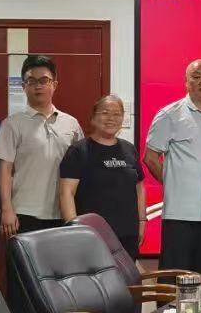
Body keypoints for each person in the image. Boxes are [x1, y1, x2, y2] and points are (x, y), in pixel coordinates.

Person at [145, 59, 201, 278]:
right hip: (179, 214)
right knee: (174, 278)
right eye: (196, 77)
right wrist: (173, 183)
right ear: (186, 82)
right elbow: (150, 157)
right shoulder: (170, 114)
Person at [0, 55, 83, 237]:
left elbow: (81, 167)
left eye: (44, 80)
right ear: (23, 86)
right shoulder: (12, 124)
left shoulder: (71, 124)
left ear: (54, 85)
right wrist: (7, 209)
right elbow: (5, 170)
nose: (38, 86)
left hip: (63, 212)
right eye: (31, 81)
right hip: (25, 212)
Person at [59, 95, 146, 262]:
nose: (111, 118)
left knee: (127, 277)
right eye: (105, 113)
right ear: (93, 117)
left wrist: (142, 221)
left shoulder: (129, 149)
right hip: (91, 235)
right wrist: (74, 230)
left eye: (117, 114)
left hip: (127, 234)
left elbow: (139, 186)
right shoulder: (78, 151)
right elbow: (66, 193)